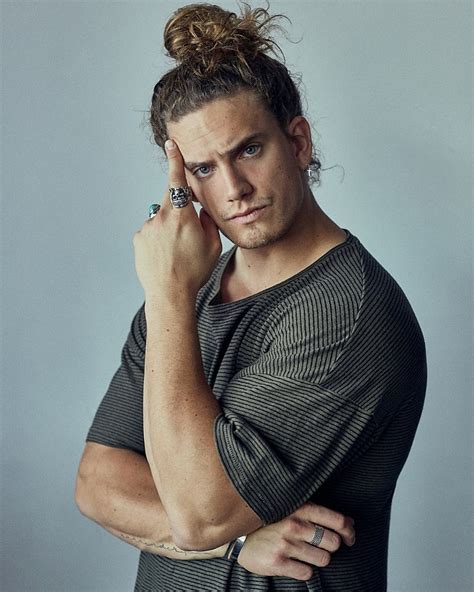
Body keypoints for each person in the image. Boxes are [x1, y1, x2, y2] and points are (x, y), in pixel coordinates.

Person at [75, 3, 427, 591]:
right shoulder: (187, 290)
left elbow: (200, 513)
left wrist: (167, 293)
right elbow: (98, 481)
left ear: (298, 142)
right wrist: (237, 544)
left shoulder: (348, 314)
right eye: (203, 169)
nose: (233, 189)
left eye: (248, 150)